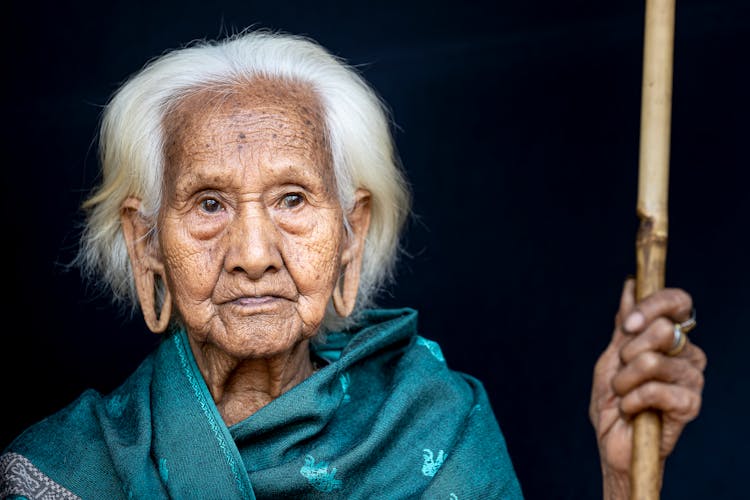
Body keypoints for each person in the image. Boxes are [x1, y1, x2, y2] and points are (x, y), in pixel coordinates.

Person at [0, 29, 705, 499]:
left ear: (351, 230)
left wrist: (623, 480)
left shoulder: (437, 428)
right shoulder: (61, 472)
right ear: (147, 240)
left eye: (293, 199)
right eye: (209, 204)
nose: (252, 256)